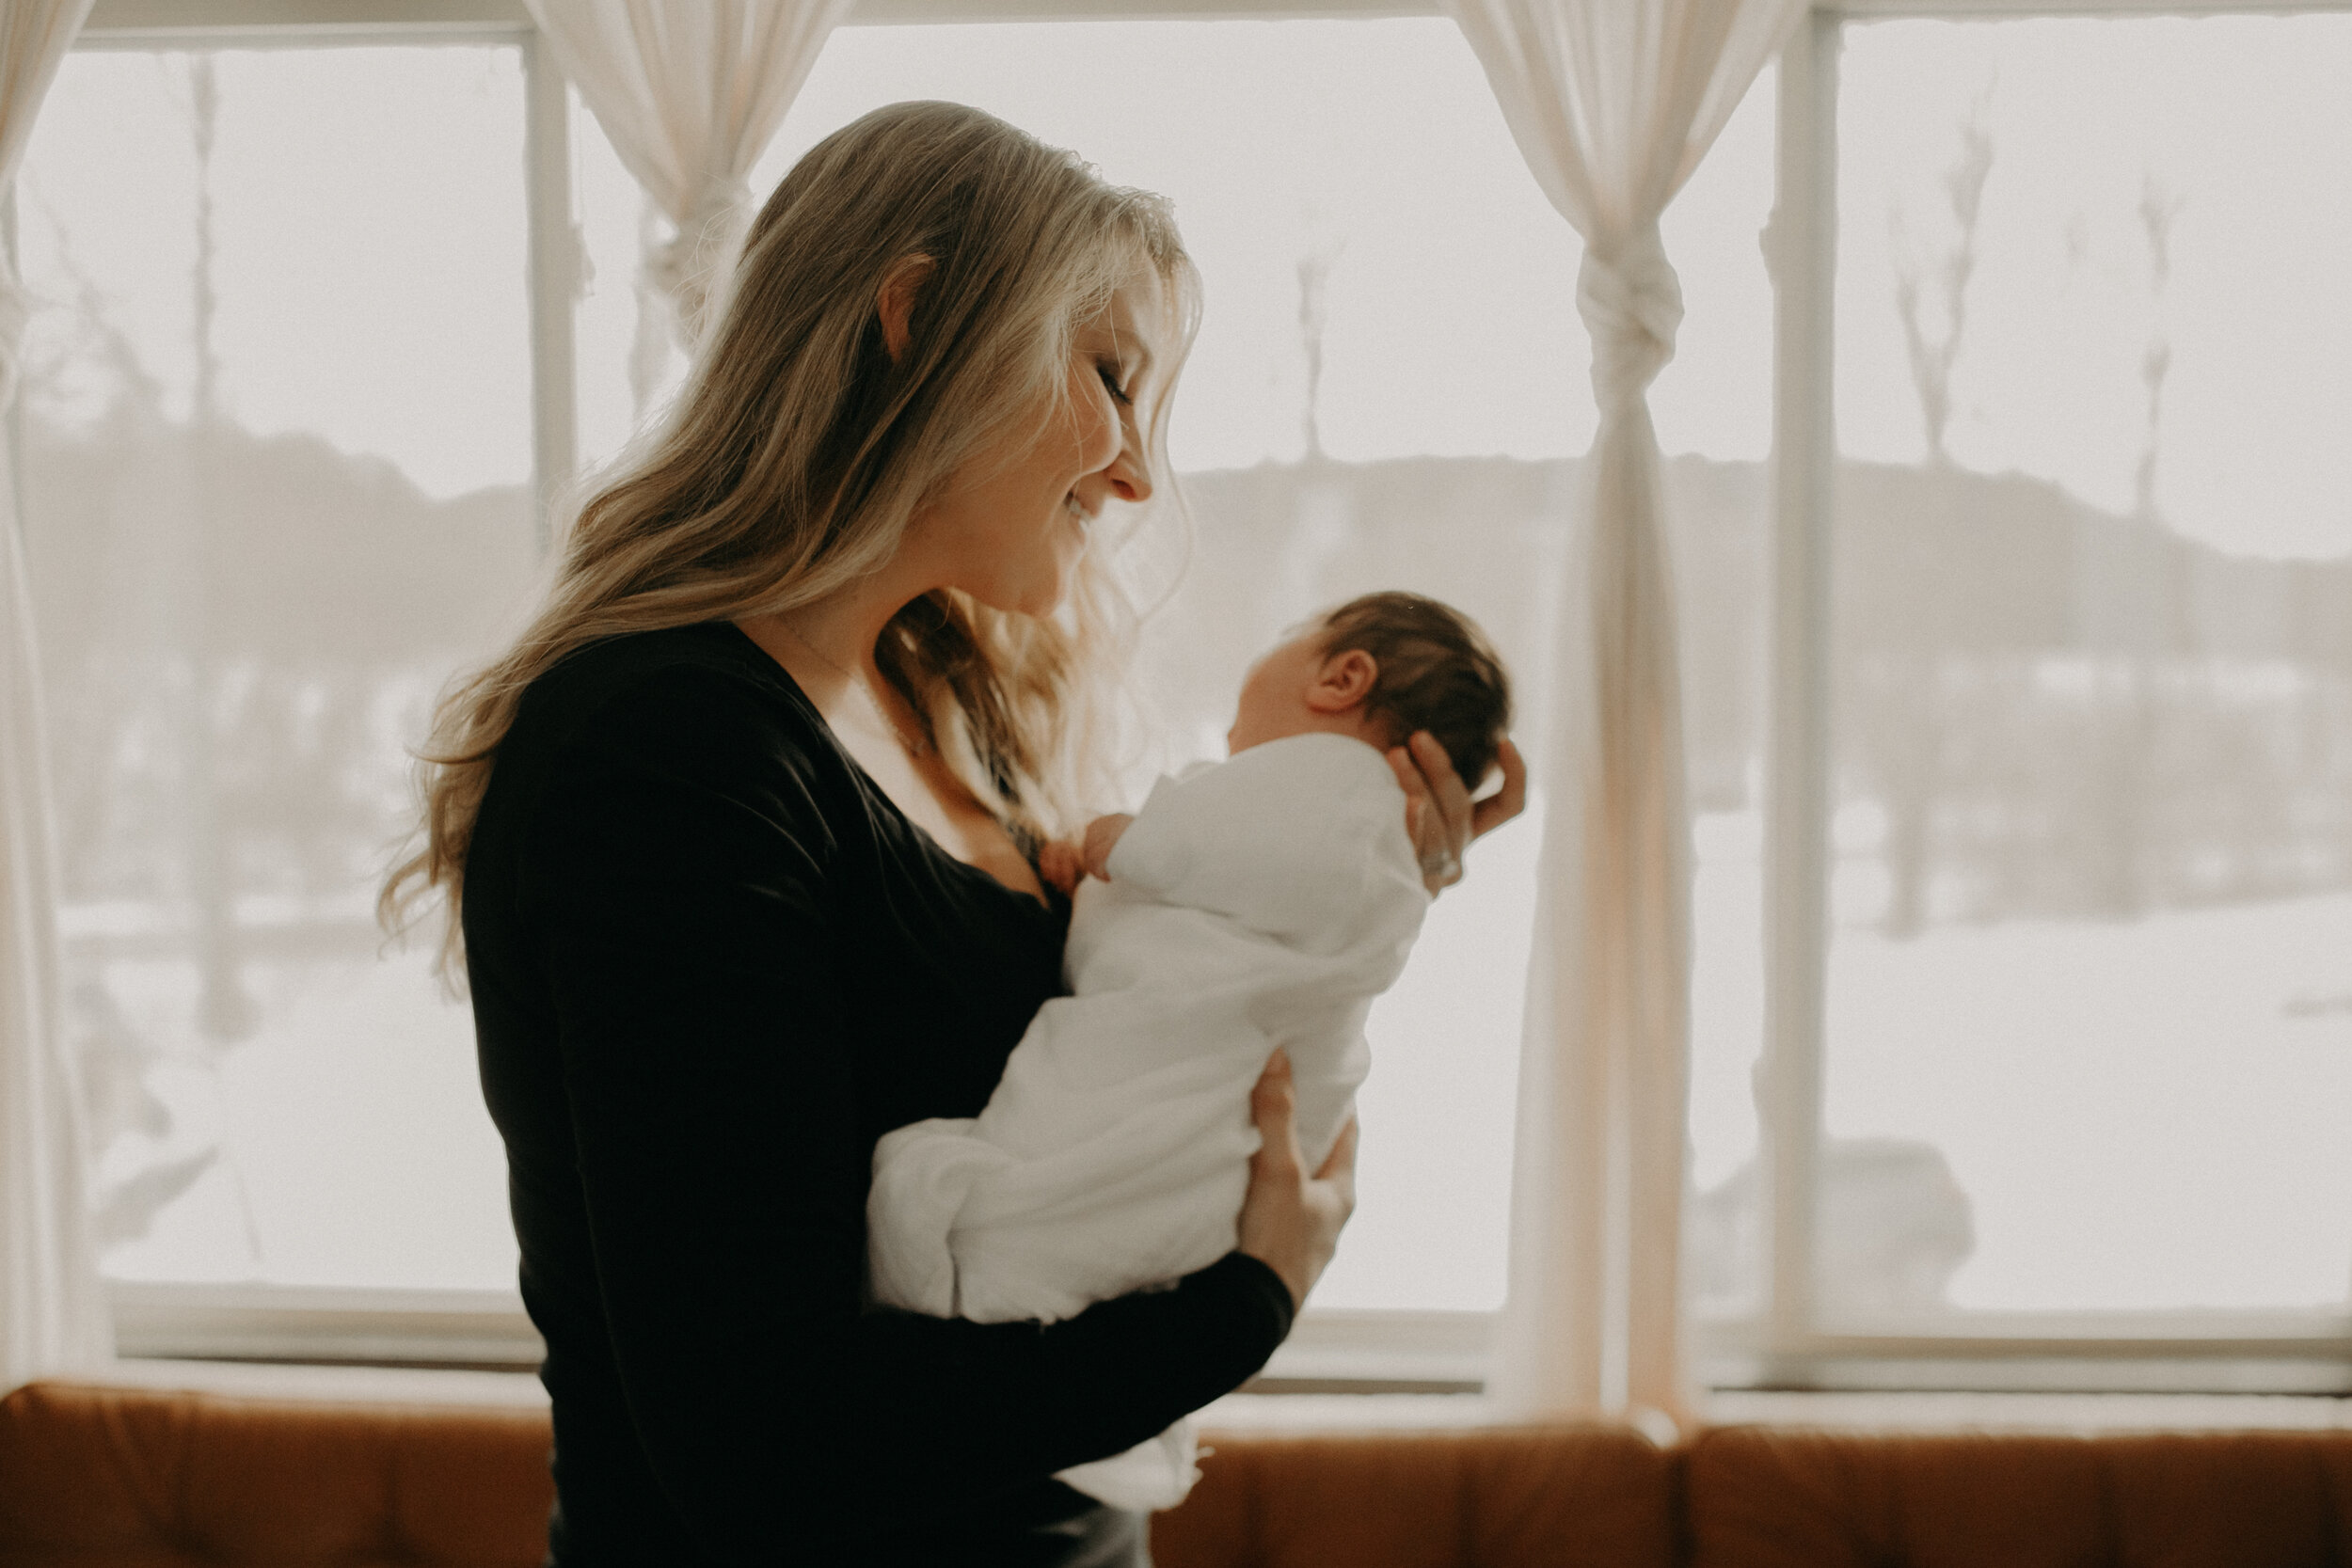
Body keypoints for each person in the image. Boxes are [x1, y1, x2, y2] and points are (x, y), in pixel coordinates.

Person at [382, 100, 1525, 1565]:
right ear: (917, 320)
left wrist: (1364, 847)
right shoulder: (667, 752)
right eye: (1112, 377)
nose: (1133, 473)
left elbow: (1136, 1040)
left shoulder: (945, 697)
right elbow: (765, 1441)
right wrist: (1247, 1304)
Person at [867, 592, 1512, 1513]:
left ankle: (996, 1267)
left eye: (1289, 631)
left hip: (1190, 1106)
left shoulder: (1334, 783)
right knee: (1084, 1207)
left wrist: (1114, 840)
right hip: (1011, 1460)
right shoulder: (1340, 823)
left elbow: (1230, 851)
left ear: (1342, 676)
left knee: (995, 1199)